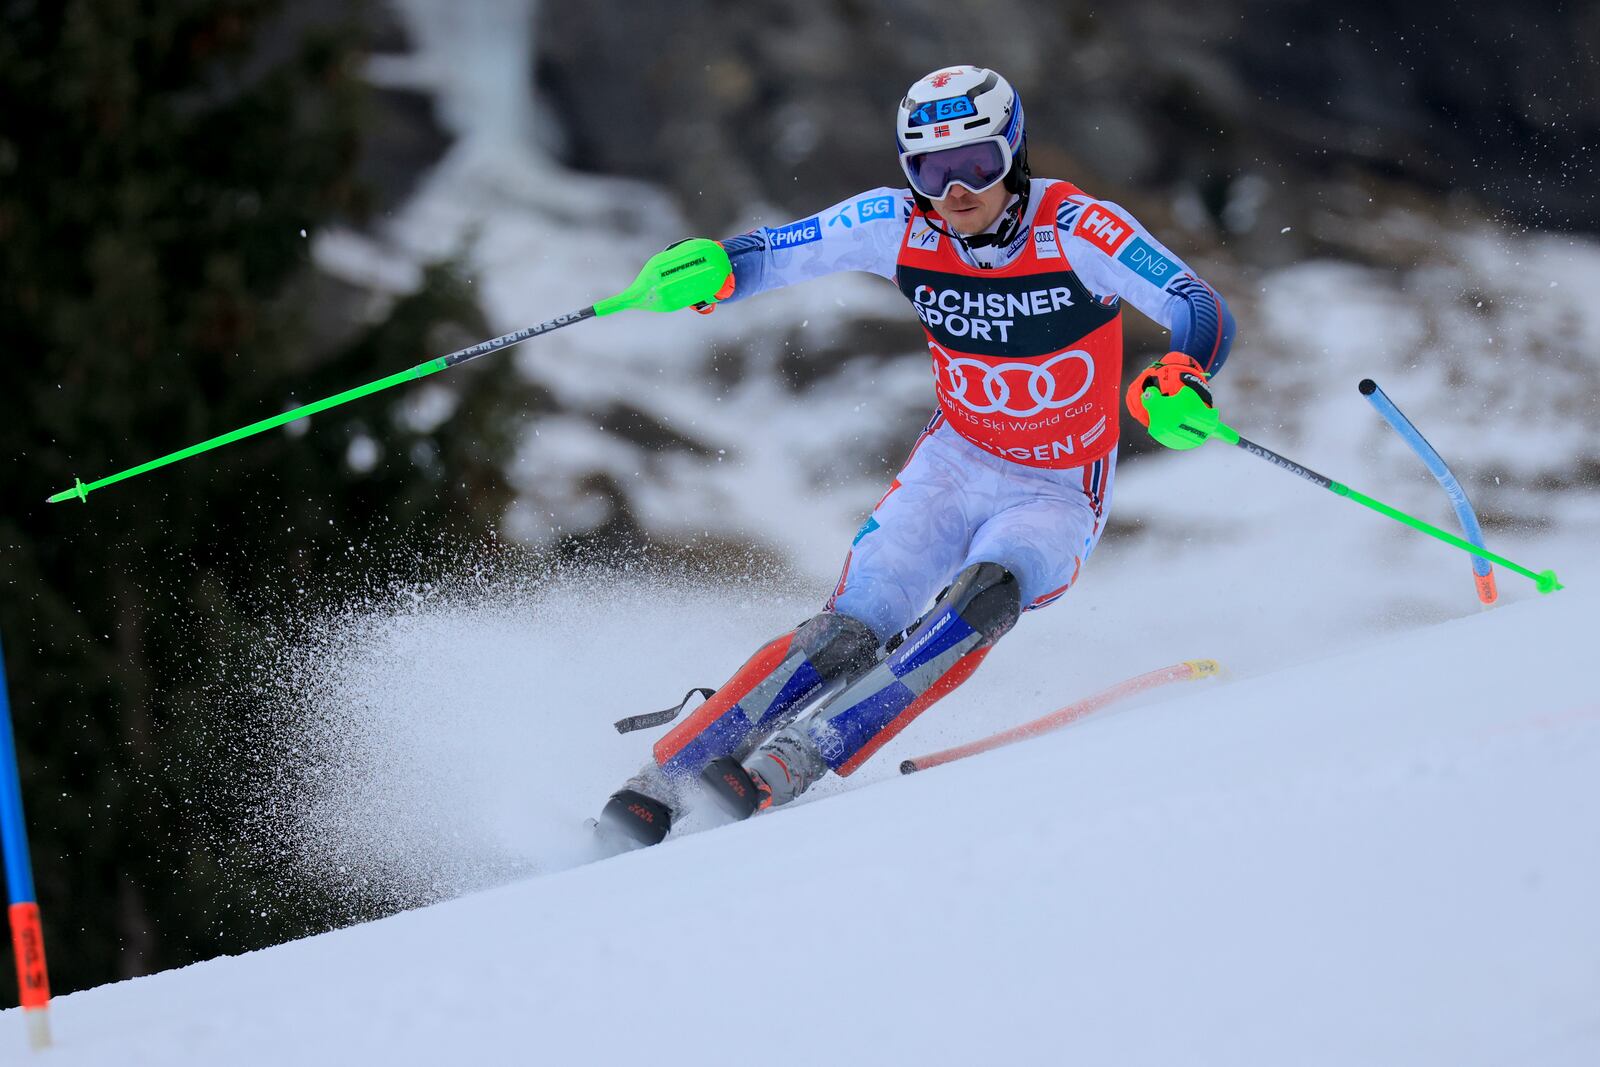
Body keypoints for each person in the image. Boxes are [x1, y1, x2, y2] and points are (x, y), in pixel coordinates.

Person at [597, 65, 1234, 848]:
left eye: (977, 164)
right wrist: (710, 270)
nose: (955, 189)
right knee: (851, 628)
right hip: (956, 464)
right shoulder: (898, 222)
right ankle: (659, 782)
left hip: (1057, 488)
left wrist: (1184, 369)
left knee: (985, 596)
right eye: (930, 170)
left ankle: (794, 760)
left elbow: (1194, 302)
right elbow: (775, 252)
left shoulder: (1075, 225)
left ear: (1015, 152)